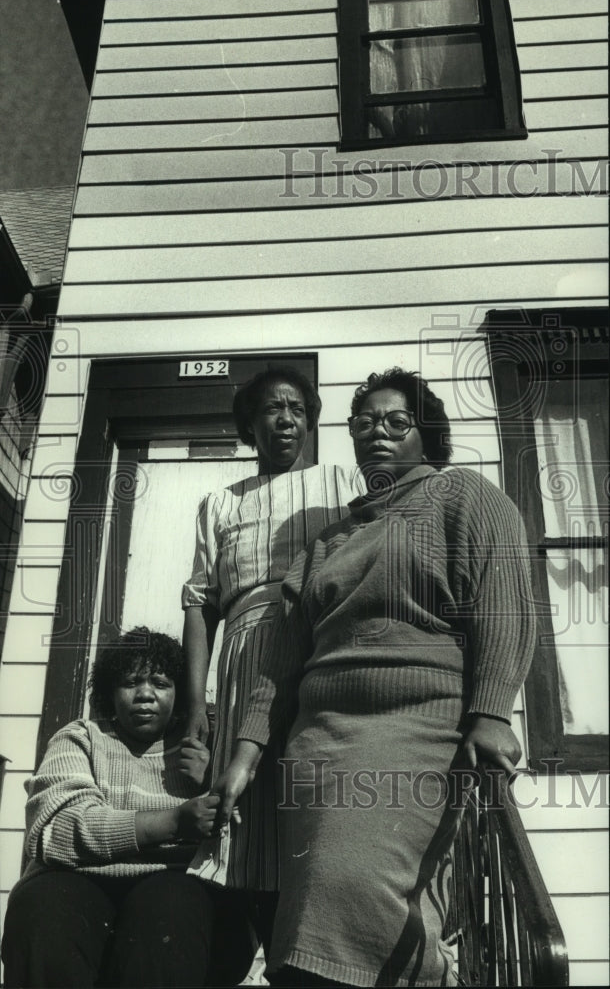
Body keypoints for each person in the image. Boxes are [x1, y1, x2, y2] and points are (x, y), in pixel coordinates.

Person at [214, 368, 537, 987]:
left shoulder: (464, 495)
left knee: (359, 890)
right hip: (317, 742)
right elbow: (280, 664)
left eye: (396, 421)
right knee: (310, 911)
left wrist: (493, 712)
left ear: (427, 435)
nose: (377, 433)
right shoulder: (327, 540)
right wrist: (246, 755)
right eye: (363, 422)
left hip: (416, 729)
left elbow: (503, 602)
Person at [181, 365, 363, 945]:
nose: (285, 420)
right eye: (270, 410)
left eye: (297, 410)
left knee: (315, 794)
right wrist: (194, 712)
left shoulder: (341, 481)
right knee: (247, 813)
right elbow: (199, 605)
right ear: (249, 425)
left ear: (310, 421)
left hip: (320, 646)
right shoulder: (219, 503)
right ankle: (257, 955)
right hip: (246, 657)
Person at [1, 628, 255, 989]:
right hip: (78, 882)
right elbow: (55, 832)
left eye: (161, 683)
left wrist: (212, 780)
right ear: (109, 690)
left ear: (182, 693)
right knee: (43, 908)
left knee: (171, 907)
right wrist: (174, 821)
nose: (145, 695)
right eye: (131, 682)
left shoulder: (208, 747)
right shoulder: (81, 738)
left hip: (175, 889)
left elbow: (249, 835)